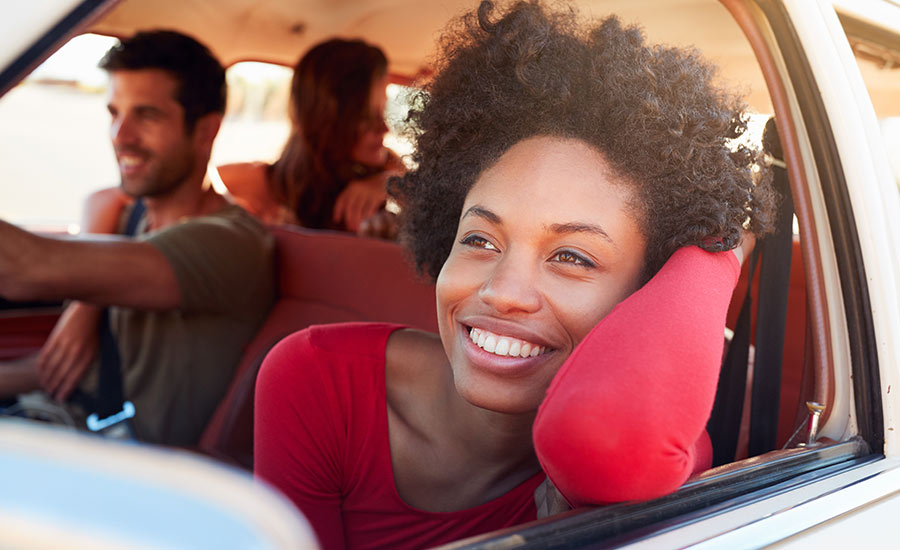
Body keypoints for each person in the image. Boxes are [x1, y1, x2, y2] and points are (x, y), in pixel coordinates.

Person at [253, 1, 776, 548]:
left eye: (572, 257)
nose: (502, 292)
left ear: (647, 293)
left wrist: (719, 248)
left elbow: (616, 444)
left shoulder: (652, 431)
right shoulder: (316, 379)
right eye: (479, 240)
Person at [0, 30, 274, 446]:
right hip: (52, 420)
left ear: (205, 131)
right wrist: (86, 301)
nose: (120, 135)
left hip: (110, 461)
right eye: (114, 112)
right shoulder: (138, 218)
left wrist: (85, 295)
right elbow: (58, 368)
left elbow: (24, 268)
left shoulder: (229, 243)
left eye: (146, 115)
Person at [217, 37, 404, 235]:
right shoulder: (255, 185)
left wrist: (392, 184)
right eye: (365, 117)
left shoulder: (394, 173)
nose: (385, 129)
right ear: (324, 120)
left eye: (383, 112)